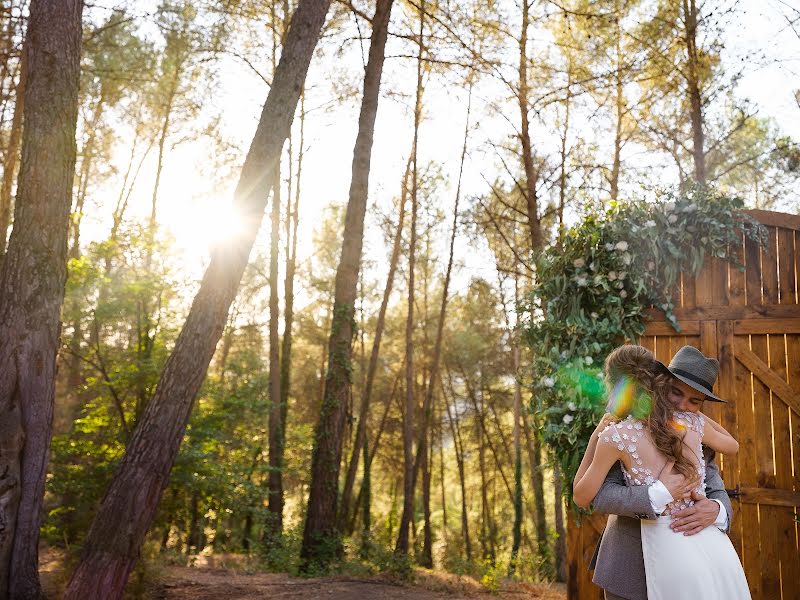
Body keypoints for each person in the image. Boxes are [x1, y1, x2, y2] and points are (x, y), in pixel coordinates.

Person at [573, 345, 750, 600]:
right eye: (675, 393)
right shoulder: (616, 428)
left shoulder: (693, 425)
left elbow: (714, 485)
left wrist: (717, 510)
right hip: (629, 567)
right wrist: (657, 494)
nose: (681, 405)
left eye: (694, 401)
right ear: (660, 382)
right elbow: (600, 495)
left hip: (696, 558)